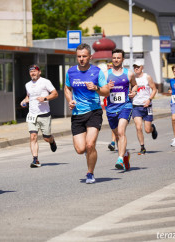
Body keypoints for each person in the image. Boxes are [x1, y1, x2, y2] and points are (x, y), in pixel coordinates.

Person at [64, 43, 111, 184]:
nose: (82, 59)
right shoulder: (71, 72)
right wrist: (70, 100)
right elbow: (67, 88)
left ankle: (90, 173)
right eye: (79, 56)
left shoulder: (97, 72)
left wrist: (96, 88)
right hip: (78, 113)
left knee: (90, 144)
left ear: (90, 57)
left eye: (84, 56)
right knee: (80, 149)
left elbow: (106, 91)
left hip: (94, 111)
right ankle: (88, 153)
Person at [105, 49, 138, 171]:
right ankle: (125, 155)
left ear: (123, 59)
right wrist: (106, 87)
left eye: (118, 58)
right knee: (117, 136)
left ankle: (119, 158)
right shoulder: (105, 74)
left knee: (121, 131)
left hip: (125, 106)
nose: (116, 60)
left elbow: (135, 85)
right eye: (114, 58)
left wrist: (134, 92)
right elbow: (102, 90)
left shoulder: (128, 73)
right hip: (111, 108)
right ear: (111, 59)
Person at [20, 64, 58, 168]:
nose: (33, 73)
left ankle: (51, 140)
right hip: (32, 115)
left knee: (46, 138)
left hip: (44, 114)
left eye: (35, 71)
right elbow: (29, 96)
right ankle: (35, 160)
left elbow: (55, 94)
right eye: (31, 72)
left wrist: (45, 98)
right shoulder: (28, 84)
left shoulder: (45, 82)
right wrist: (24, 101)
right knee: (33, 136)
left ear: (39, 72)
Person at [132, 60, 158, 155]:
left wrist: (149, 99)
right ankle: (142, 147)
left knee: (147, 130)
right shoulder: (132, 78)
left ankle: (152, 128)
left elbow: (154, 89)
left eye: (138, 66)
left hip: (147, 106)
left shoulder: (147, 77)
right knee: (138, 127)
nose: (136, 68)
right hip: (136, 106)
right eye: (134, 66)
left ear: (142, 67)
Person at [106, 62, 117, 151]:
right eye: (108, 66)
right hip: (109, 104)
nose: (109, 67)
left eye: (111, 66)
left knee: (118, 126)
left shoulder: (118, 75)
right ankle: (114, 142)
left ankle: (114, 142)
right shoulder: (104, 76)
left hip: (120, 105)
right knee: (113, 125)